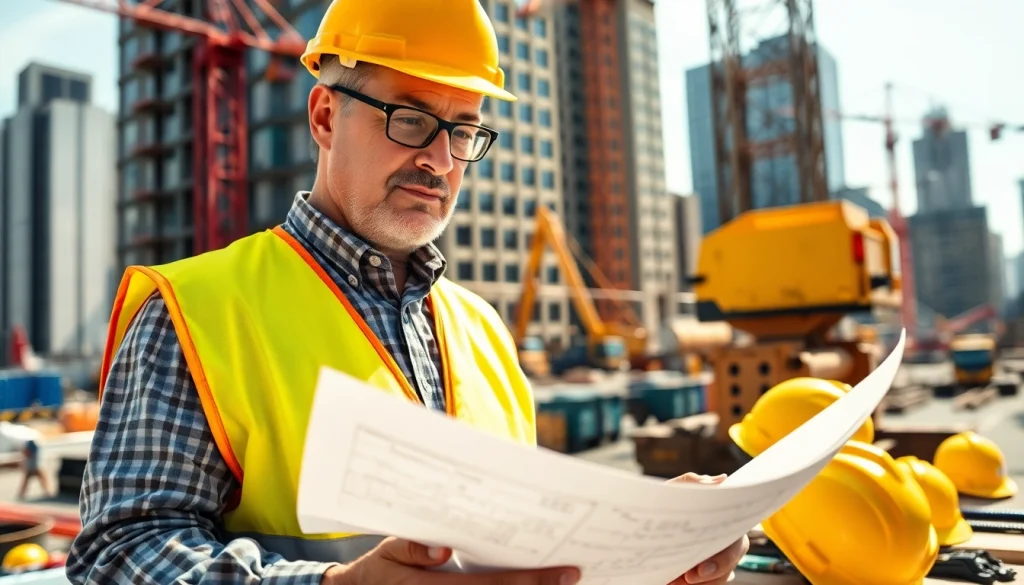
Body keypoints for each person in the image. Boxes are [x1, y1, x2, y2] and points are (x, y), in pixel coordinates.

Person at [66, 0, 748, 583]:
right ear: (326, 115)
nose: (440, 160)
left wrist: (647, 538)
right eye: (412, 119)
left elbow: (523, 540)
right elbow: (117, 554)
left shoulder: (481, 329)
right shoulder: (195, 310)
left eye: (463, 129)